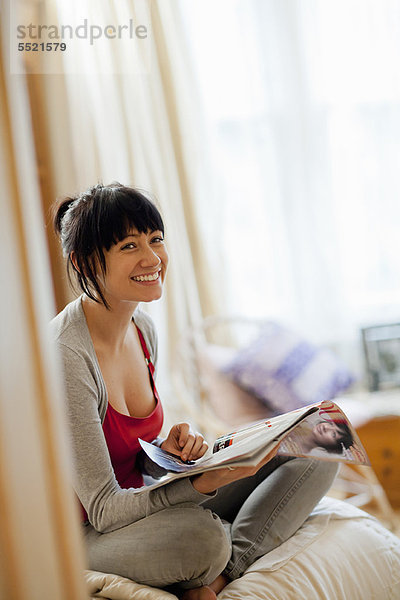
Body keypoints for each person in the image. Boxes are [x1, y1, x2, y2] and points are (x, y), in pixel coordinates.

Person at [50, 182, 339, 600]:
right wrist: (201, 484)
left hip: (141, 504)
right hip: (89, 532)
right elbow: (105, 508)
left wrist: (168, 452)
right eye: (129, 246)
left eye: (155, 239)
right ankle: (218, 558)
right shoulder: (65, 355)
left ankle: (220, 576)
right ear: (84, 261)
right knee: (203, 539)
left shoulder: (142, 328)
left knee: (318, 442)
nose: (152, 258)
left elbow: (133, 460)